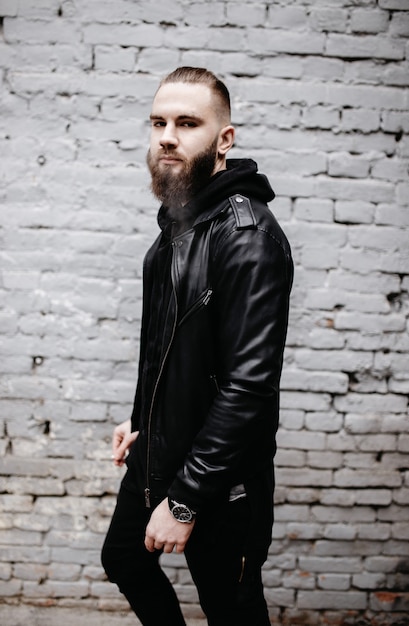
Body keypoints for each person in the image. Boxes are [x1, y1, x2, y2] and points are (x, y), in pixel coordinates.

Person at [101, 66, 293, 626]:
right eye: (158, 122)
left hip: (220, 479)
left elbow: (249, 389)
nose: (167, 135)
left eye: (187, 123)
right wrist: (142, 418)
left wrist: (184, 501)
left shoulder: (247, 238)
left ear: (224, 139)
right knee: (125, 560)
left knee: (231, 610)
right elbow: (170, 345)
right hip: (162, 451)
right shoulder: (179, 226)